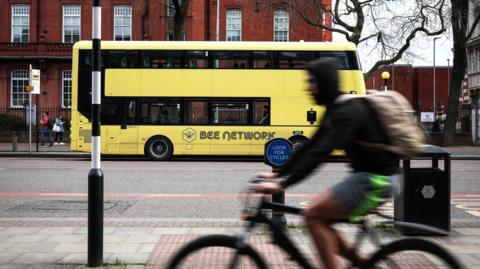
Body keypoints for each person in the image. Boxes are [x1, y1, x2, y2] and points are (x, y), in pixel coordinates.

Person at [255, 58, 400, 269]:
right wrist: (278, 175)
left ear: (324, 83)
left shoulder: (347, 112)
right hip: (369, 177)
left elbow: (320, 154)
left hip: (378, 180)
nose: (307, 87)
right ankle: (364, 263)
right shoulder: (336, 109)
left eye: (311, 81)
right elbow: (309, 147)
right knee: (322, 218)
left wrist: (283, 183)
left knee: (313, 215)